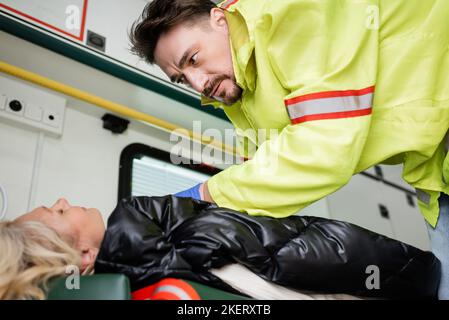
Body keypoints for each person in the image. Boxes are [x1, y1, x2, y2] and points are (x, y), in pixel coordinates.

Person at [129, 0, 449, 298]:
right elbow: (262, 175)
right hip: (433, 171)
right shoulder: (238, 90)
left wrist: (200, 196)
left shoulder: (291, 11)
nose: (198, 84)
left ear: (219, 20)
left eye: (194, 59)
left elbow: (322, 148)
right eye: (182, 78)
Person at [0, 197, 441, 299]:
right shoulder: (143, 230)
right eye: (56, 214)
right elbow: (277, 279)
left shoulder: (148, 260)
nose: (62, 202)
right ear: (83, 258)